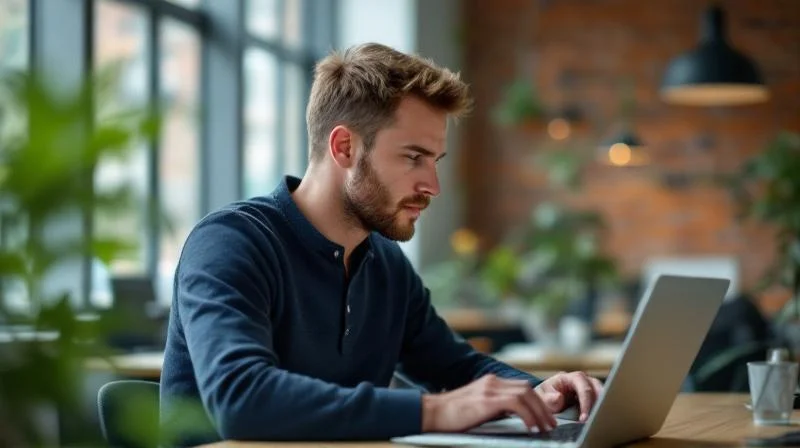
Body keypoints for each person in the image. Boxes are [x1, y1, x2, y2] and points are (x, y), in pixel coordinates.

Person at [159, 42, 604, 442]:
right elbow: (241, 401)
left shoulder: (386, 265)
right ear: (345, 148)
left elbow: (454, 368)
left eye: (435, 161)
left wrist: (533, 390)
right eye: (413, 157)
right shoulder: (230, 242)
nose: (432, 185)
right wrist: (435, 411)